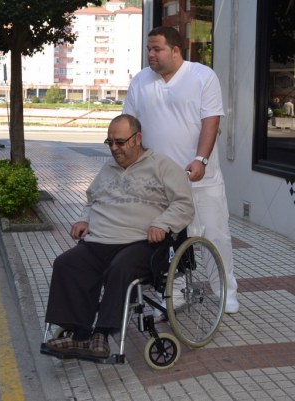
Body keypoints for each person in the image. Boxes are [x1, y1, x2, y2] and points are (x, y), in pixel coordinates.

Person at [43, 114, 195, 360]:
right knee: (66, 263)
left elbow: (185, 205)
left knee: (120, 268)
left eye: (120, 142)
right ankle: (78, 335)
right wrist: (84, 219)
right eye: (110, 142)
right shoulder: (109, 168)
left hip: (141, 243)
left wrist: (162, 224)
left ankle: (101, 334)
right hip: (99, 241)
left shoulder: (163, 166)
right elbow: (92, 200)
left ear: (138, 139)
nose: (114, 148)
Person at [123, 26, 240, 314]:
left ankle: (226, 291)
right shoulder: (140, 81)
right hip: (158, 183)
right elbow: (129, 125)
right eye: (149, 49)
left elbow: (211, 122)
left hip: (200, 178)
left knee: (215, 236)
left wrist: (200, 159)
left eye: (157, 49)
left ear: (176, 51)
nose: (150, 54)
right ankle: (174, 295)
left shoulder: (202, 76)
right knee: (164, 242)